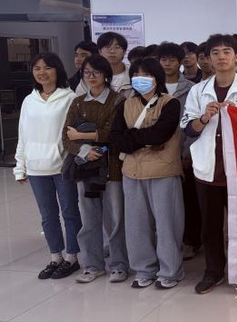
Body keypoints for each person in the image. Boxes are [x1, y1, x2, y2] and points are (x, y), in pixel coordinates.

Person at [181, 34, 237, 294]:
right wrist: (204, 117)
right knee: (211, 226)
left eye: (226, 51)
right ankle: (213, 272)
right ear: (208, 58)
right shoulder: (197, 91)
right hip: (207, 169)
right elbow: (188, 129)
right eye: (215, 53)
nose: (221, 57)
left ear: (236, 56)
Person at [110, 57, 184, 289]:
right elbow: (116, 139)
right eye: (136, 74)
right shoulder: (125, 104)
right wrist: (143, 140)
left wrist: (132, 137)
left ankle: (170, 271)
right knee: (136, 226)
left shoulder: (170, 103)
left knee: (167, 225)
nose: (140, 78)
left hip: (163, 171)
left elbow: (160, 135)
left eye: (146, 74)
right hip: (132, 172)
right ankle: (144, 270)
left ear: (156, 77)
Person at [15, 52, 81, 280]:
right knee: (47, 215)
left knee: (70, 212)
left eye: (47, 67)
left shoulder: (70, 98)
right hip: (36, 167)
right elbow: (23, 135)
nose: (42, 72)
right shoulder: (29, 100)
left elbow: (74, 134)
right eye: (37, 68)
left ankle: (72, 256)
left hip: (63, 167)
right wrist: (20, 166)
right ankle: (56, 256)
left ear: (57, 70)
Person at [63, 54, 128, 284]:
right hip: (86, 170)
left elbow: (113, 133)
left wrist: (84, 136)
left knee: (115, 219)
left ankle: (119, 265)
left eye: (96, 72)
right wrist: (84, 151)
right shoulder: (77, 102)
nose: (91, 76)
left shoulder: (118, 100)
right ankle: (92, 265)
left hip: (112, 169)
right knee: (89, 219)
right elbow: (66, 137)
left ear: (106, 75)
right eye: (86, 72)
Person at [159, 41, 200, 259]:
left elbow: (194, 123)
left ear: (180, 62)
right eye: (163, 59)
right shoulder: (153, 88)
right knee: (164, 204)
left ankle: (191, 241)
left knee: (188, 200)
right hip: (158, 154)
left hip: (183, 151)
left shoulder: (192, 89)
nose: (167, 64)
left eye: (172, 60)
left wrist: (187, 153)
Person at [93, 32, 132, 98]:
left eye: (117, 47)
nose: (112, 51)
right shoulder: (90, 76)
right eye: (107, 47)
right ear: (100, 51)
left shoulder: (134, 74)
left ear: (124, 52)